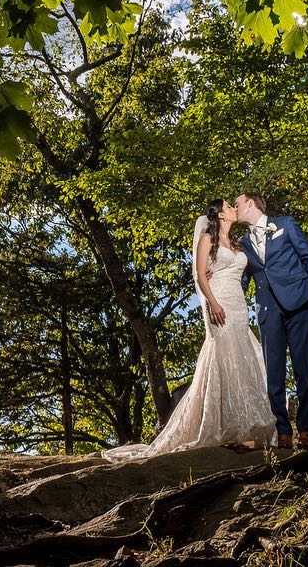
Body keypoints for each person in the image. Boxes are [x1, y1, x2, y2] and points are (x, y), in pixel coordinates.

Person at [102, 198, 275, 462]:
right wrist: (213, 303)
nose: (233, 209)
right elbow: (198, 275)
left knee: (243, 360)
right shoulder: (208, 239)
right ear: (219, 215)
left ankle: (246, 426)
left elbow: (248, 270)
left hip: (239, 307)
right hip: (219, 303)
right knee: (223, 359)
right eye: (229, 206)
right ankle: (225, 427)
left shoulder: (239, 244)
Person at [233, 192, 308, 450]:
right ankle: (283, 432)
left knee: (303, 369)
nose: (235, 208)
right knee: (273, 375)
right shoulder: (243, 243)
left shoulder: (285, 224)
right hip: (268, 311)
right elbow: (243, 278)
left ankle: (306, 430)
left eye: (237, 204)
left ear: (251, 204)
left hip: (299, 304)